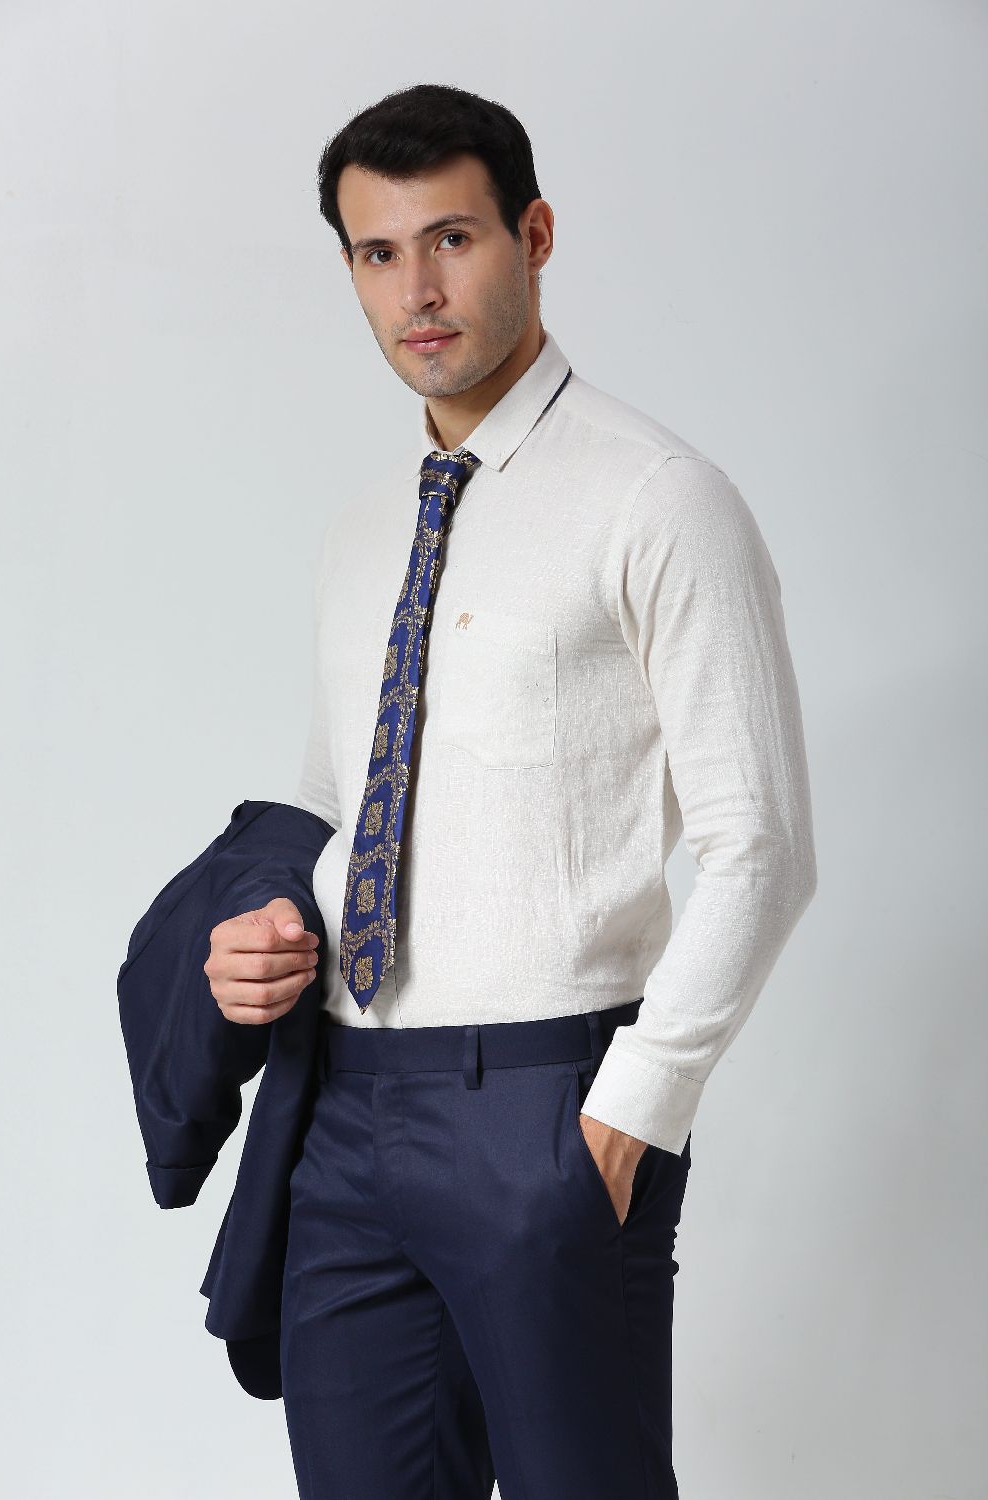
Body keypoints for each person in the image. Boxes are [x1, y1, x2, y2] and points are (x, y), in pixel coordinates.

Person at [205, 82, 817, 1500]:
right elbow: (338, 802)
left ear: (533, 236)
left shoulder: (658, 497)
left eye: (453, 238)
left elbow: (761, 844)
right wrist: (266, 937)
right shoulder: (365, 532)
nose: (417, 291)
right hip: (345, 1110)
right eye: (378, 253)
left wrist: (630, 1113)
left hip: (548, 1103)